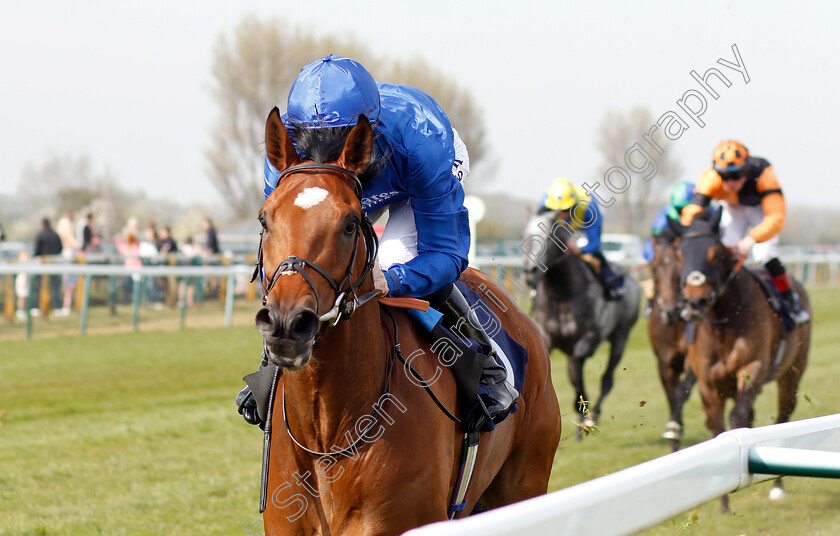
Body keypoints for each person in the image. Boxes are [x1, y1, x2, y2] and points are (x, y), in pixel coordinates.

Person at [238, 54, 518, 428]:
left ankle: (483, 363)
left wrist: (395, 280)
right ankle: (271, 359)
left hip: (411, 174)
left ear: (359, 138)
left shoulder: (423, 145)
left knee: (390, 258)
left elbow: (447, 253)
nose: (317, 153)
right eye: (309, 143)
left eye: (331, 143)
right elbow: (280, 241)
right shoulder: (287, 145)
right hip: (351, 186)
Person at [680, 140, 809, 325]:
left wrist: (750, 240)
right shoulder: (709, 177)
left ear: (747, 170)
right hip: (732, 209)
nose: (730, 182)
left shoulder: (764, 173)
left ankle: (792, 303)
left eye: (736, 175)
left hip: (760, 210)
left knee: (764, 255)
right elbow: (692, 211)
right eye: (725, 177)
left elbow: (776, 218)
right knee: (722, 252)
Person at [537, 177, 623, 299]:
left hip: (583, 226)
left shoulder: (590, 207)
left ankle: (612, 287)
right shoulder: (545, 204)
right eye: (556, 210)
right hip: (561, 230)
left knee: (596, 257)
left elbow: (595, 243)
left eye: (566, 209)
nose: (562, 214)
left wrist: (579, 250)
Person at [642, 181, 696, 263]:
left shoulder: (708, 213)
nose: (683, 213)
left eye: (686, 208)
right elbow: (650, 247)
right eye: (679, 209)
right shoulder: (665, 215)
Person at [33, 217, 64, 313]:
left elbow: (36, 251)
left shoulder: (40, 235)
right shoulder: (55, 235)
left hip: (43, 264)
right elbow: (60, 248)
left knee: (40, 286)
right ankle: (57, 307)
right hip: (55, 263)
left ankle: (37, 307)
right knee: (55, 286)